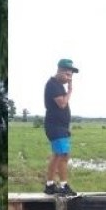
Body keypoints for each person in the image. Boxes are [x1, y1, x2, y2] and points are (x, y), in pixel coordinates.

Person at [43, 59, 78, 196]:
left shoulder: (57, 85)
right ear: (59, 70)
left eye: (71, 76)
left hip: (60, 127)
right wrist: (70, 91)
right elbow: (62, 104)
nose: (69, 79)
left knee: (59, 155)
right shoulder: (53, 85)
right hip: (55, 126)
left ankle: (50, 185)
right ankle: (63, 186)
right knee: (62, 155)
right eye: (67, 75)